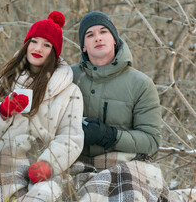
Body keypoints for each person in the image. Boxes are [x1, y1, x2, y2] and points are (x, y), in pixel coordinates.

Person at [0, 11, 84, 201]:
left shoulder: (70, 92)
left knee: (47, 194)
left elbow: (71, 138)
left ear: (54, 52)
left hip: (43, 164)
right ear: (26, 44)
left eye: (46, 45)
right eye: (34, 41)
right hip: (3, 159)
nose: (38, 48)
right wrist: (2, 113)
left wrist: (48, 164)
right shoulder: (0, 83)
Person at [69, 11, 169, 201]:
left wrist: (110, 136)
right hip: (74, 161)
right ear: (83, 46)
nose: (97, 38)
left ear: (114, 39)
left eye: (103, 32)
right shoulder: (67, 77)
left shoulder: (140, 84)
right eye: (90, 35)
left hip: (123, 164)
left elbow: (151, 141)